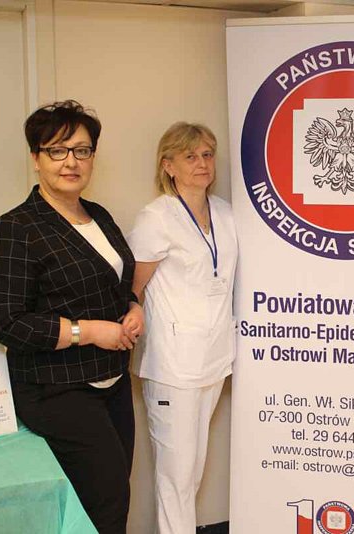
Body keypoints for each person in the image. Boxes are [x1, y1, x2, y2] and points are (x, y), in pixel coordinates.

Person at [0, 100, 141, 534]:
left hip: (112, 380)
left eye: (82, 150)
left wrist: (132, 307)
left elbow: (114, 283)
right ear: (36, 158)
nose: (71, 161)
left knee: (112, 496)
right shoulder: (15, 229)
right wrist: (87, 331)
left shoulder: (99, 216)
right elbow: (6, 321)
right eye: (57, 150)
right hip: (56, 389)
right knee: (107, 503)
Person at [128, 122, 238, 534]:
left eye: (207, 155)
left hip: (214, 357)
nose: (202, 163)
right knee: (175, 475)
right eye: (190, 156)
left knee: (193, 470)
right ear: (168, 165)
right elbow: (132, 290)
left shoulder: (224, 212)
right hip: (173, 364)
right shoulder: (156, 218)